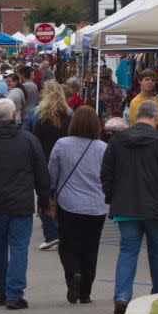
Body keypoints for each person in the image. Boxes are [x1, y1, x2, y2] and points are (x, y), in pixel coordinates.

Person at [0, 98, 51, 310]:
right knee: (19, 248)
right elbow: (42, 173)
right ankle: (14, 292)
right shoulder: (29, 140)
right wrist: (43, 200)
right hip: (21, 203)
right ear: (14, 115)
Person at [100, 99, 158, 314]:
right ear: (155, 117)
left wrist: (112, 198)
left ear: (135, 117)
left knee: (127, 251)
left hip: (126, 206)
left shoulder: (118, 140)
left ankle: (122, 296)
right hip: (157, 208)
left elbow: (106, 173)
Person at [49, 106, 109, 304]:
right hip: (96, 205)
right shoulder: (102, 147)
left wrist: (50, 193)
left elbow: (52, 173)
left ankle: (73, 274)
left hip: (69, 202)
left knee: (67, 245)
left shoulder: (62, 144)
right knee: (90, 247)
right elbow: (108, 176)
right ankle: (85, 292)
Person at [26, 80, 72, 250]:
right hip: (66, 160)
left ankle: (51, 233)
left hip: (44, 160)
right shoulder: (69, 115)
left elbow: (31, 138)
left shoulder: (38, 116)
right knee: (63, 196)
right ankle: (64, 232)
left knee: (44, 195)